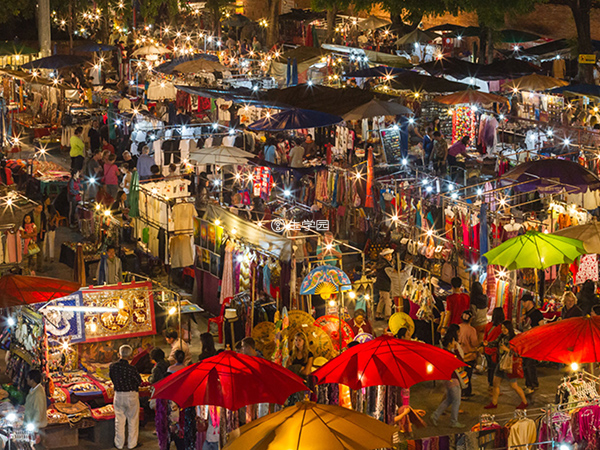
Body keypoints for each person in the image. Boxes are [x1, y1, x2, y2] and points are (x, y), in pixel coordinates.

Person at [484, 321, 528, 410]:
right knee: (495, 383)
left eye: (505, 328)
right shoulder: (501, 336)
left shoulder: (514, 338)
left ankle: (525, 402)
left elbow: (517, 353)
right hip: (500, 364)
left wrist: (507, 349)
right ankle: (494, 402)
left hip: (509, 365)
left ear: (509, 328)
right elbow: (495, 343)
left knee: (514, 386)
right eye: (502, 328)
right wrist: (487, 344)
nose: (503, 330)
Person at [430, 324, 464, 428]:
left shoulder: (444, 351)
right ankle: (453, 421)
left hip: (447, 379)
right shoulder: (449, 354)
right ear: (451, 342)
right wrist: (456, 349)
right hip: (452, 379)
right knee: (456, 401)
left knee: (449, 399)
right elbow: (460, 361)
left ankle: (435, 416)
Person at [109, 345, 142, 450]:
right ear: (130, 356)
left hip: (118, 395)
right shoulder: (132, 369)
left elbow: (112, 377)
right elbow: (139, 381)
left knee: (119, 420)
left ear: (119, 354)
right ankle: (132, 444)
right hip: (131, 395)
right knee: (133, 420)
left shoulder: (112, 367)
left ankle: (119, 444)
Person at [521, 295, 544, 394]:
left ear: (530, 301)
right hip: (526, 342)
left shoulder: (537, 313)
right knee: (525, 364)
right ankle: (528, 384)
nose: (523, 304)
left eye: (524, 302)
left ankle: (533, 384)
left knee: (530, 364)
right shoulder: (526, 314)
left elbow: (542, 327)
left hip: (534, 342)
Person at [483, 307, 505, 392]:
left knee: (490, 368)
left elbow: (485, 338)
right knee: (496, 370)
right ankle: (494, 387)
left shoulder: (488, 325)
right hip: (495, 352)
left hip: (487, 350)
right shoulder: (501, 328)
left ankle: (490, 385)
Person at [458, 310, 478, 399]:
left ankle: (466, 392)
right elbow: (474, 343)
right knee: (467, 375)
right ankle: (465, 393)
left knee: (460, 374)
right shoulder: (471, 330)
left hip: (458, 355)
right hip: (469, 355)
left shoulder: (458, 328)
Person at [24, 204, 46, 272]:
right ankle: (29, 267)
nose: (40, 210)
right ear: (35, 208)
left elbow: (44, 223)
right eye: (39, 208)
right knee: (31, 252)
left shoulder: (42, 215)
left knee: (40, 252)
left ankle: (39, 267)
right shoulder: (30, 215)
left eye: (41, 208)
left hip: (40, 235)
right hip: (31, 236)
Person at [374, 248, 394, 321]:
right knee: (388, 301)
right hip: (385, 285)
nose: (390, 257)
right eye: (387, 255)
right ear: (384, 256)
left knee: (382, 299)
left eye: (390, 255)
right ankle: (388, 316)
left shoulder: (381, 263)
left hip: (381, 284)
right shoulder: (386, 265)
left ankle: (378, 314)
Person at [43, 197, 58, 263]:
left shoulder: (51, 207)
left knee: (51, 242)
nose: (49, 201)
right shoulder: (42, 209)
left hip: (51, 227)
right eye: (47, 200)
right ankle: (44, 256)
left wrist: (52, 221)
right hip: (44, 227)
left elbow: (55, 214)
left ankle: (51, 257)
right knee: (44, 242)